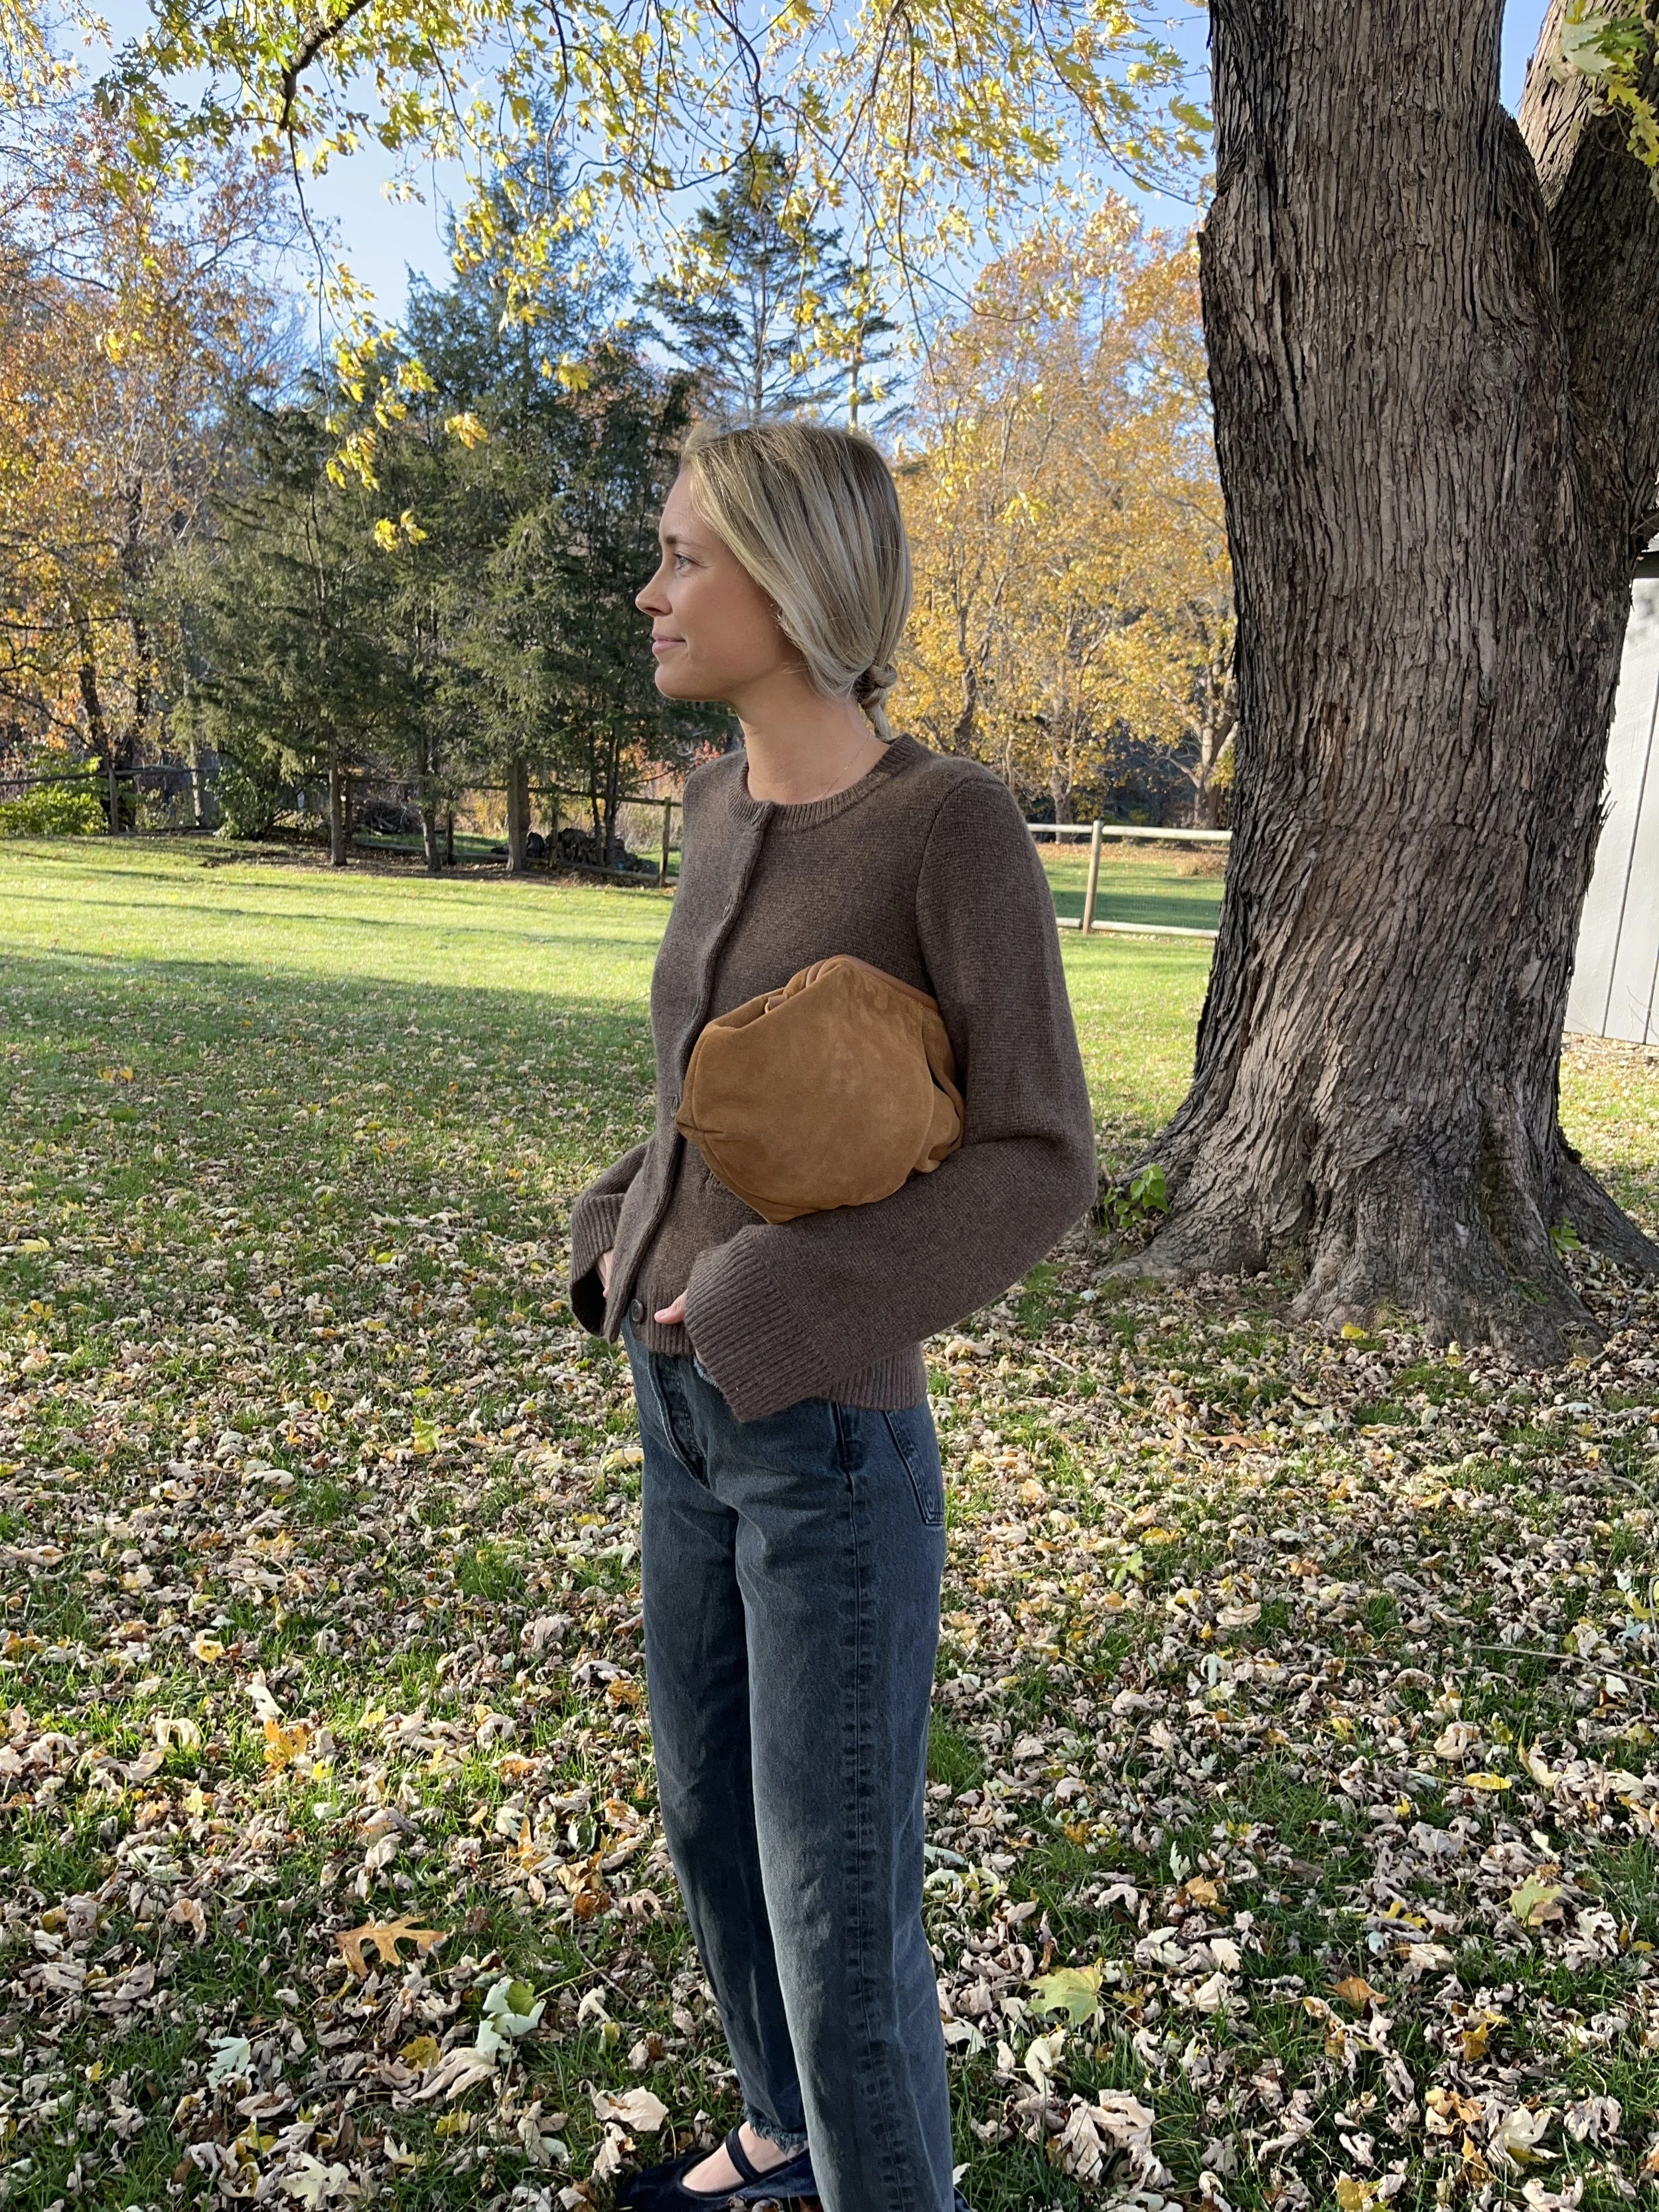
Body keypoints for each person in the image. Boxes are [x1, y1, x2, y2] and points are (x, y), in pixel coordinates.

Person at [567, 420, 1096, 2212]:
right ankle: (784, 2134)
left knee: (834, 1886)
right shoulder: (719, 801)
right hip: (680, 1419)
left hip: (831, 1450)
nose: (652, 589)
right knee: (712, 1823)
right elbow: (710, 1095)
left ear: (793, 587)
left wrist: (757, 1298)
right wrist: (624, 1230)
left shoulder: (943, 824)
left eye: (687, 555)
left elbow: (1037, 1157)